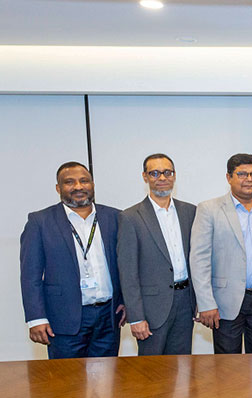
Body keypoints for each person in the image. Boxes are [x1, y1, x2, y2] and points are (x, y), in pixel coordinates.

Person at [20, 161, 125, 358]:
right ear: (58, 188)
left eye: (84, 181)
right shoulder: (40, 222)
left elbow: (126, 265)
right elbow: (30, 276)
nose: (78, 186)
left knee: (107, 375)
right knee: (66, 376)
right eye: (69, 182)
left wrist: (126, 301)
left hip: (108, 317)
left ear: (92, 184)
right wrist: (36, 318)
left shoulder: (115, 217)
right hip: (63, 318)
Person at [190, 154, 252, 354]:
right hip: (225, 301)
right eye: (242, 174)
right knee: (227, 365)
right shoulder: (209, 209)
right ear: (229, 177)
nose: (249, 179)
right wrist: (206, 303)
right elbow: (199, 259)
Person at [117, 153, 196, 355]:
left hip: (185, 302)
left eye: (167, 172)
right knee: (151, 369)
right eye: (155, 173)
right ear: (145, 177)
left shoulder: (190, 212)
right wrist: (136, 317)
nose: (162, 178)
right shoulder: (130, 217)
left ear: (174, 175)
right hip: (151, 308)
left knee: (182, 366)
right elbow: (128, 272)